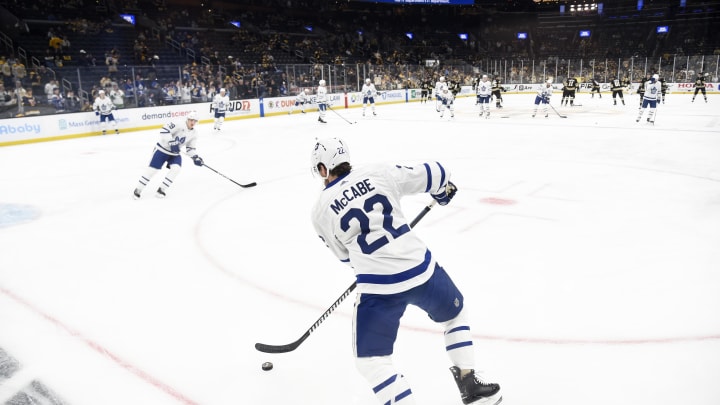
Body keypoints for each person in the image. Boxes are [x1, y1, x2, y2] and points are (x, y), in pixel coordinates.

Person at [310, 137, 502, 405]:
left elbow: (345, 258)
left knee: (371, 362)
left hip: (378, 288)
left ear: (322, 169)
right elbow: (438, 172)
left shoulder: (320, 211)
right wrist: (441, 193)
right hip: (422, 270)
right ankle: (470, 384)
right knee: (456, 315)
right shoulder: (377, 172)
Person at [132, 111, 203, 199]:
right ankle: (138, 189)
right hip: (162, 150)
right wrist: (171, 142)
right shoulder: (178, 123)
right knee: (152, 171)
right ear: (187, 119)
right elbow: (164, 130)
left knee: (176, 169)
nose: (193, 122)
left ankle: (161, 190)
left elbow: (190, 148)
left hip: (174, 154)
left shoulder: (194, 133)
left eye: (195, 121)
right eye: (191, 120)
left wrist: (195, 157)